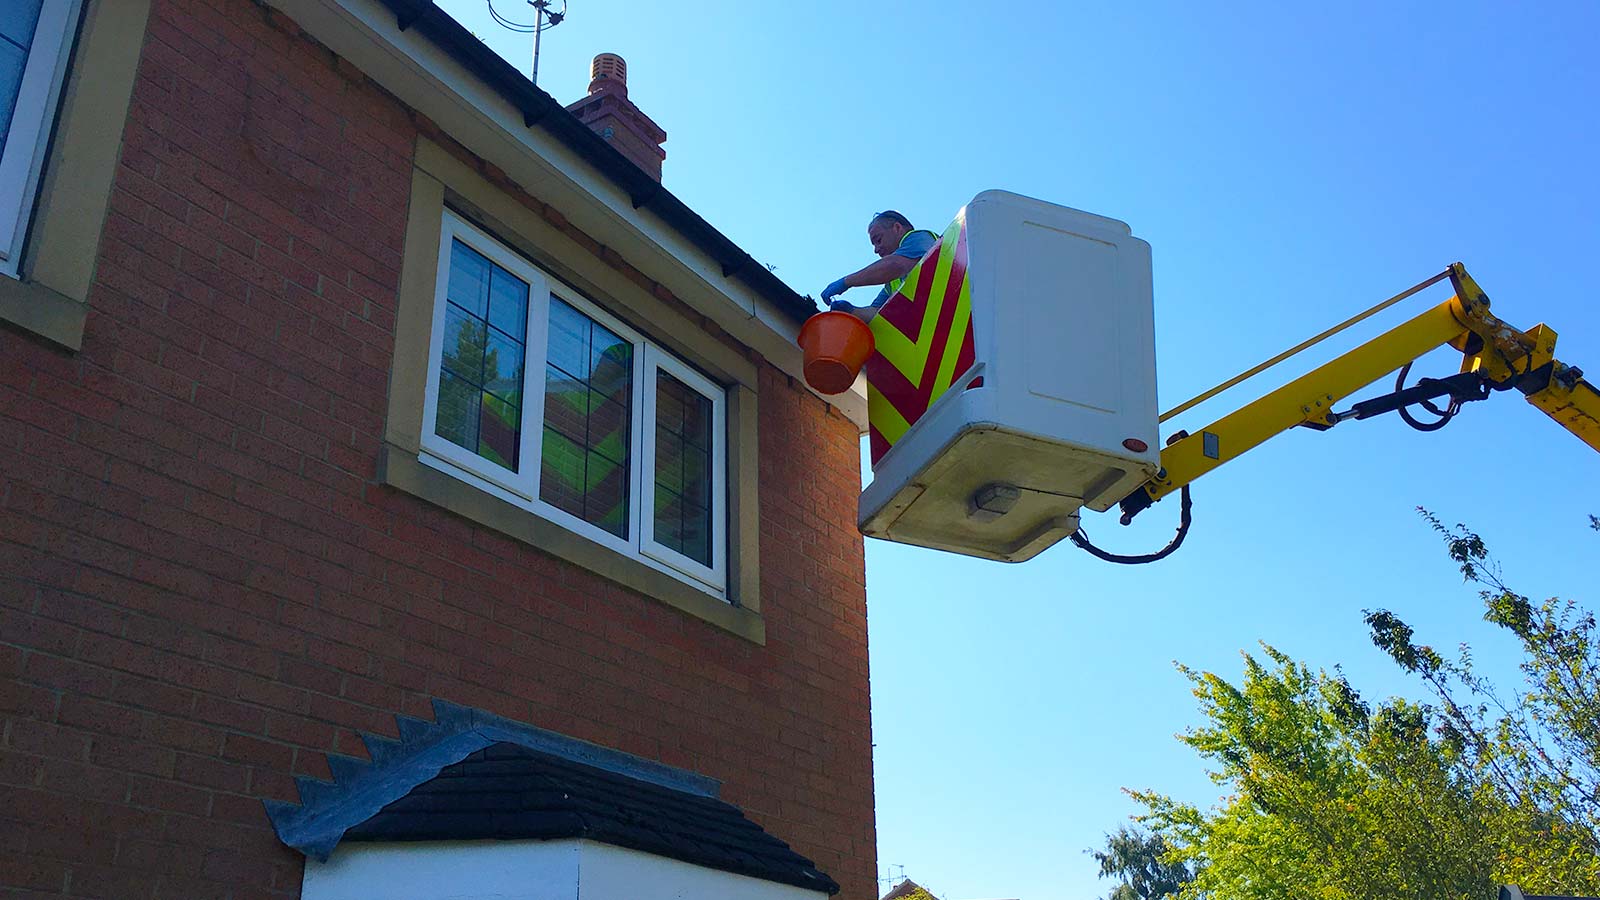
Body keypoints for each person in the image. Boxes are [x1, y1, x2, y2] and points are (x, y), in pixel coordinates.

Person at [819, 211, 939, 320]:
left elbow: (896, 265)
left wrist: (846, 282)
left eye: (878, 240)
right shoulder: (892, 283)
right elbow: (877, 315)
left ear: (897, 228)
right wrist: (851, 311)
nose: (876, 250)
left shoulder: (919, 238)